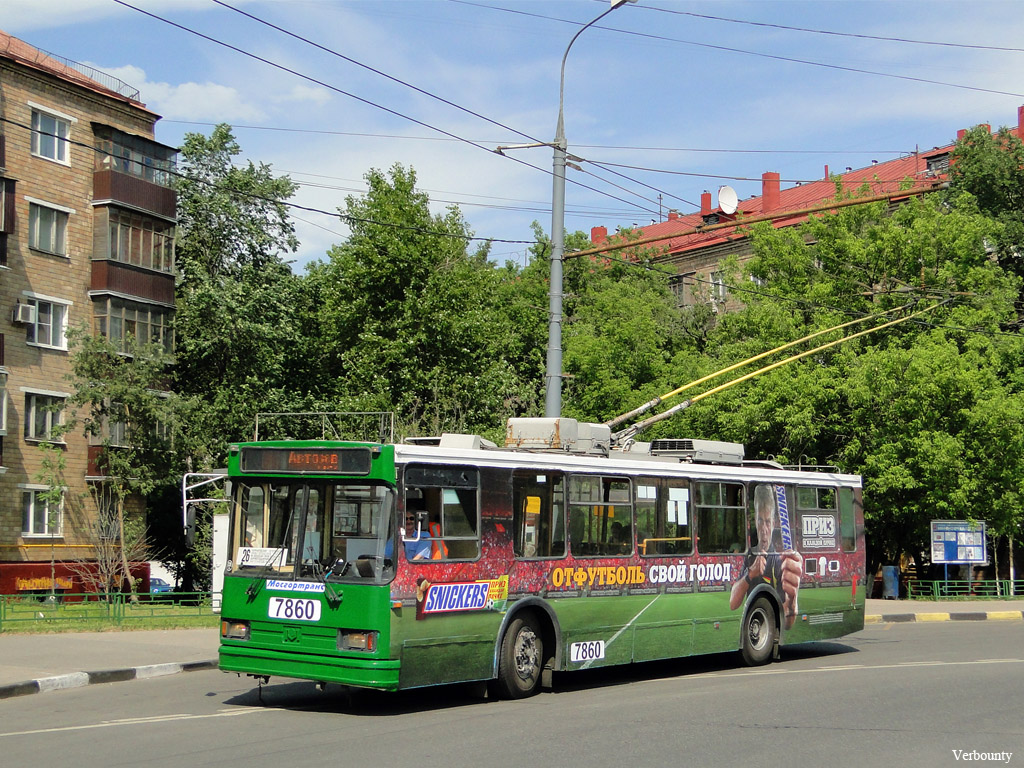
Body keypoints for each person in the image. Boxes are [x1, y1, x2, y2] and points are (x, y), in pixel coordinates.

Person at [729, 483, 802, 629]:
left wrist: (793, 599)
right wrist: (750, 574)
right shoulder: (750, 554)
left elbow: (787, 623)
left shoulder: (779, 559)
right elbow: (733, 603)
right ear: (755, 521)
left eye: (768, 522)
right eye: (760, 521)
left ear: (774, 523)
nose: (764, 529)